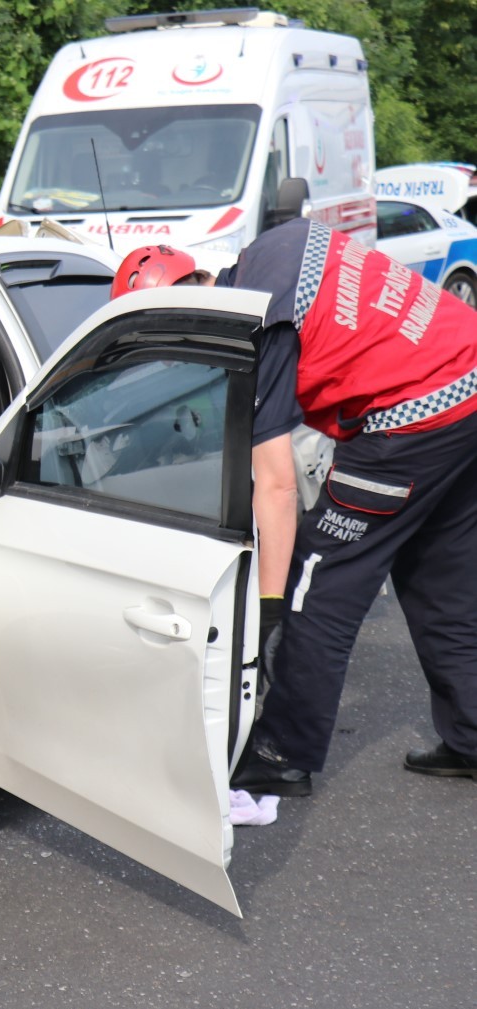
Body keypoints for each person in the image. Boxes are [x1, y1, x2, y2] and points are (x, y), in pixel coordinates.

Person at [111, 226, 477, 796]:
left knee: (318, 582)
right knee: (440, 573)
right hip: (466, 374)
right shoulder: (274, 251)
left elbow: (278, 486)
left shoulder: (260, 325)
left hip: (416, 413)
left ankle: (282, 751)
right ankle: (472, 736)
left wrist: (272, 607)